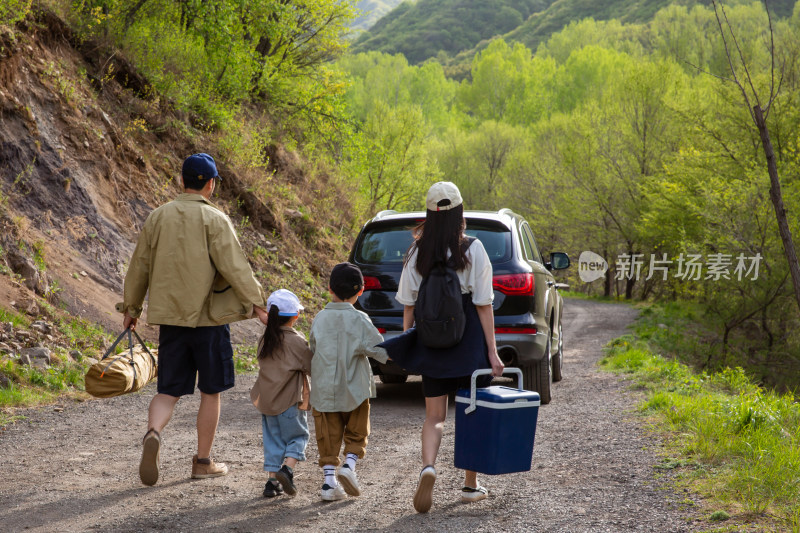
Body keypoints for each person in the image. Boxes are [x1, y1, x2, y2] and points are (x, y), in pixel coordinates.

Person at [117, 153, 269, 486]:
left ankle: (153, 433)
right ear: (211, 184)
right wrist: (258, 304)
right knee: (211, 393)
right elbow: (235, 266)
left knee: (168, 390)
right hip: (210, 322)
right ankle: (202, 462)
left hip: (172, 322)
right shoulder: (215, 220)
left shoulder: (158, 217)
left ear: (182, 181)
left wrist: (131, 309)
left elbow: (139, 265)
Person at [379, 181, 504, 513]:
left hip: (432, 342)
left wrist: (409, 342)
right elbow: (483, 304)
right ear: (460, 212)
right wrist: (492, 351)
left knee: (434, 416)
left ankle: (429, 467)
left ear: (429, 215)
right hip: (468, 341)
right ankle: (470, 485)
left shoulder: (417, 251)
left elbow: (407, 303)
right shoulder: (473, 249)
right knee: (470, 413)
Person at [309, 262, 389, 501]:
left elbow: (313, 347)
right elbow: (380, 350)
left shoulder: (319, 319)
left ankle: (328, 483)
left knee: (328, 435)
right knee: (357, 432)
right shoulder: (360, 319)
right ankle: (349, 465)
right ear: (361, 291)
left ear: (329, 289)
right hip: (354, 389)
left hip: (324, 391)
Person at [250, 289, 313, 498]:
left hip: (267, 402)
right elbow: (310, 366)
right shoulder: (296, 341)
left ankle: (271, 483)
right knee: (298, 436)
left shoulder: (264, 340)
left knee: (273, 440)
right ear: (295, 316)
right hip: (290, 402)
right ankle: (287, 469)